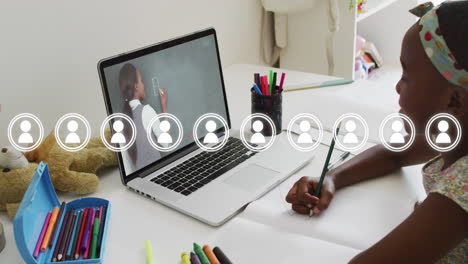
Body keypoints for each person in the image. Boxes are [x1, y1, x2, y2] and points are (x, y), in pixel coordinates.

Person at [285, 2, 468, 263]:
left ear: (455, 102)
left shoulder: (461, 189)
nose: (397, 86)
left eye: (406, 75)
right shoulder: (457, 130)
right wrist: (333, 178)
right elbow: (398, 152)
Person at [119, 63, 169, 171]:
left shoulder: (121, 122)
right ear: (136, 86)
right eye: (141, 81)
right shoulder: (146, 111)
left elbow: (127, 169)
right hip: (158, 174)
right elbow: (166, 144)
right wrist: (164, 106)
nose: (143, 84)